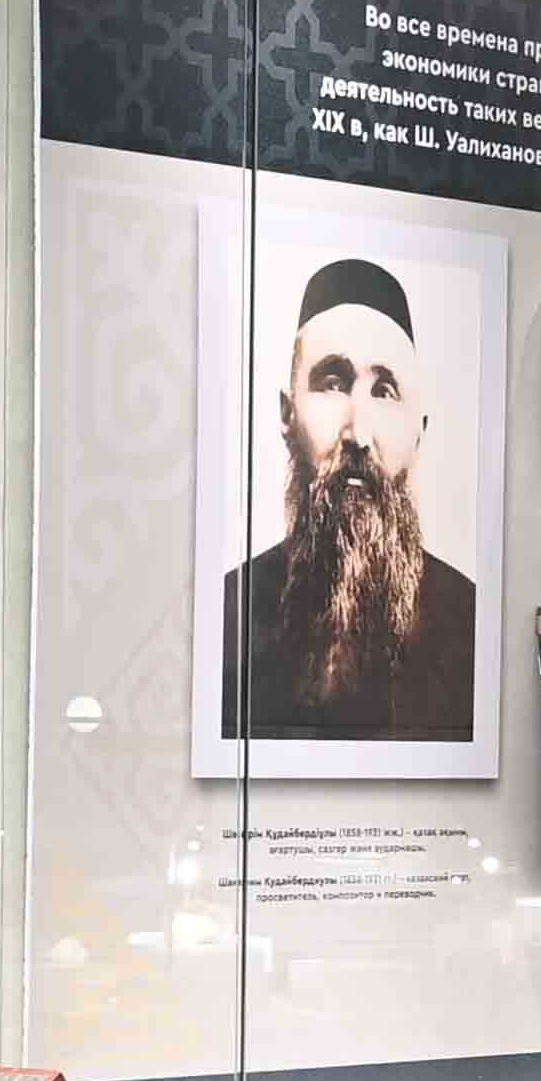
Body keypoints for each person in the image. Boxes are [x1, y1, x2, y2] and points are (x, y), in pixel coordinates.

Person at [218, 253, 478, 741]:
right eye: (332, 384)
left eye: (384, 391)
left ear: (419, 429)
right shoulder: (228, 617)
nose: (357, 433)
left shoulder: (469, 623)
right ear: (286, 414)